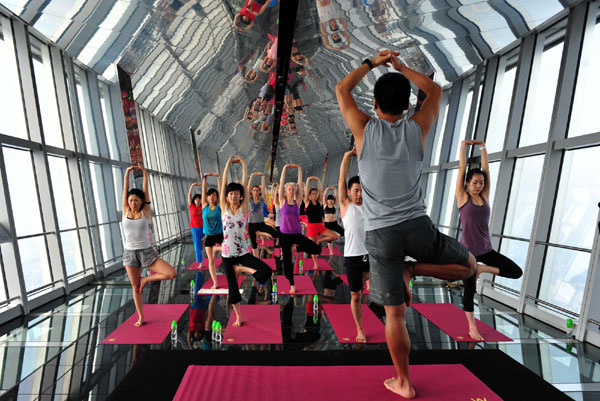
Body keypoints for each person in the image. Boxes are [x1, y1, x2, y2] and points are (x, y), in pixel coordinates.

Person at [336, 50, 477, 398]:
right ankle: (414, 271)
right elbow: (436, 90)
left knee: (394, 314)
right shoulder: (418, 128)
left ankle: (404, 382)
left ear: (374, 102)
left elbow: (342, 90)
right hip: (417, 226)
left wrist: (372, 62)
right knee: (469, 266)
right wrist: (400, 67)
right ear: (407, 103)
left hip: (381, 235)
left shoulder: (364, 129)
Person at [456, 139, 522, 340]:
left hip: (486, 250)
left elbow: (486, 169)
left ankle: (482, 269)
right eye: (474, 182)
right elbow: (461, 167)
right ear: (467, 183)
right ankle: (471, 327)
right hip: (467, 253)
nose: (478, 186)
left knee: (515, 272)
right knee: (469, 290)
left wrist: (484, 147)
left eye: (481, 183)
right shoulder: (462, 196)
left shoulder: (484, 195)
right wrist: (464, 145)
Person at [219, 155, 272, 327]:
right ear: (227, 197)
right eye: (231, 194)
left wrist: (243, 164)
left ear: (242, 197)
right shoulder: (224, 209)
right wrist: (227, 165)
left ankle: (242, 269)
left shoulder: (243, 209)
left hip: (243, 253)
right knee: (232, 287)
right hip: (227, 255)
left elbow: (244, 184)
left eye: (236, 194)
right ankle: (238, 316)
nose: (234, 196)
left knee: (266, 271)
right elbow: (223, 185)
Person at [122, 165, 176, 327]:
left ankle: (147, 279)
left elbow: (146, 191)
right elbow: (125, 191)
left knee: (171, 273)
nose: (133, 203)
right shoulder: (125, 210)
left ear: (141, 202)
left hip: (146, 251)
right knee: (135, 287)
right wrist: (127, 173)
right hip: (130, 253)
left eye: (136, 200)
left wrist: (144, 173)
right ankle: (141, 317)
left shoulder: (145, 211)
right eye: (131, 200)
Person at [337, 148, 370, 342]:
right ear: (350, 192)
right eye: (356, 191)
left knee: (379, 293)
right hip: (353, 257)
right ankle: (360, 329)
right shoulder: (346, 205)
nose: (359, 194)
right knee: (356, 296)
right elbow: (341, 180)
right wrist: (346, 156)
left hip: (372, 256)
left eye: (362, 190)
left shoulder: (371, 205)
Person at [278, 164, 322, 294]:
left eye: (293, 189)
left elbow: (300, 185)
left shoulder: (298, 200)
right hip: (285, 235)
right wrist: (285, 168)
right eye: (289, 189)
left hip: (297, 234)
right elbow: (281, 184)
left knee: (316, 248)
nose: (291, 191)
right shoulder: (282, 201)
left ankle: (295, 248)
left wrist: (299, 169)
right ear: (286, 191)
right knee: (287, 262)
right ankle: (292, 284)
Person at [304, 176, 339, 268]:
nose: (315, 195)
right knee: (313, 248)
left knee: (334, 236)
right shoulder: (307, 202)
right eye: (313, 194)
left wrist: (319, 180)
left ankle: (320, 240)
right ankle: (315, 263)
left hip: (320, 225)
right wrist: (308, 180)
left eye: (316, 194)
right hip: (311, 227)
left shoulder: (319, 202)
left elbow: (320, 189)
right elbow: (306, 190)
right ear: (310, 195)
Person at [247, 172, 278, 257]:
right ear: (252, 192)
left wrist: (262, 177)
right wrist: (252, 176)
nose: (256, 192)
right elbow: (247, 188)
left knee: (275, 234)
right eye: (254, 190)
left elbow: (264, 192)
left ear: (259, 191)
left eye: (257, 190)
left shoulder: (261, 200)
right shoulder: (249, 200)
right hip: (252, 224)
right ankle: (256, 259)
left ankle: (259, 233)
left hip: (261, 224)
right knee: (254, 244)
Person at [202, 173, 223, 289]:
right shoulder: (204, 206)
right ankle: (215, 282)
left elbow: (221, 190)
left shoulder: (219, 206)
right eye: (210, 195)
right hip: (209, 236)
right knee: (211, 260)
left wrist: (218, 178)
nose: (212, 197)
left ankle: (217, 249)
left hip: (220, 235)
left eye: (214, 195)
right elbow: (203, 191)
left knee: (228, 253)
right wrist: (204, 179)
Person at [323, 186, 344, 255]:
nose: (330, 201)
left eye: (331, 199)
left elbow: (336, 197)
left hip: (334, 223)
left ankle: (334, 235)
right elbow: (324, 196)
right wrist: (327, 189)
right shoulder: (325, 205)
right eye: (329, 199)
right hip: (327, 224)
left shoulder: (334, 205)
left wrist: (335, 189)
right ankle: (331, 251)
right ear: (327, 200)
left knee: (342, 232)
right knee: (329, 239)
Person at [187, 182, 204, 264]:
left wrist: (203, 186)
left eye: (199, 199)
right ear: (194, 200)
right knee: (197, 246)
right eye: (196, 199)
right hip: (195, 228)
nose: (198, 200)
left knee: (207, 243)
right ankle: (200, 262)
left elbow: (205, 196)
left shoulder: (203, 206)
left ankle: (203, 242)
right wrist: (192, 185)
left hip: (204, 228)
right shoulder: (191, 206)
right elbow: (189, 196)